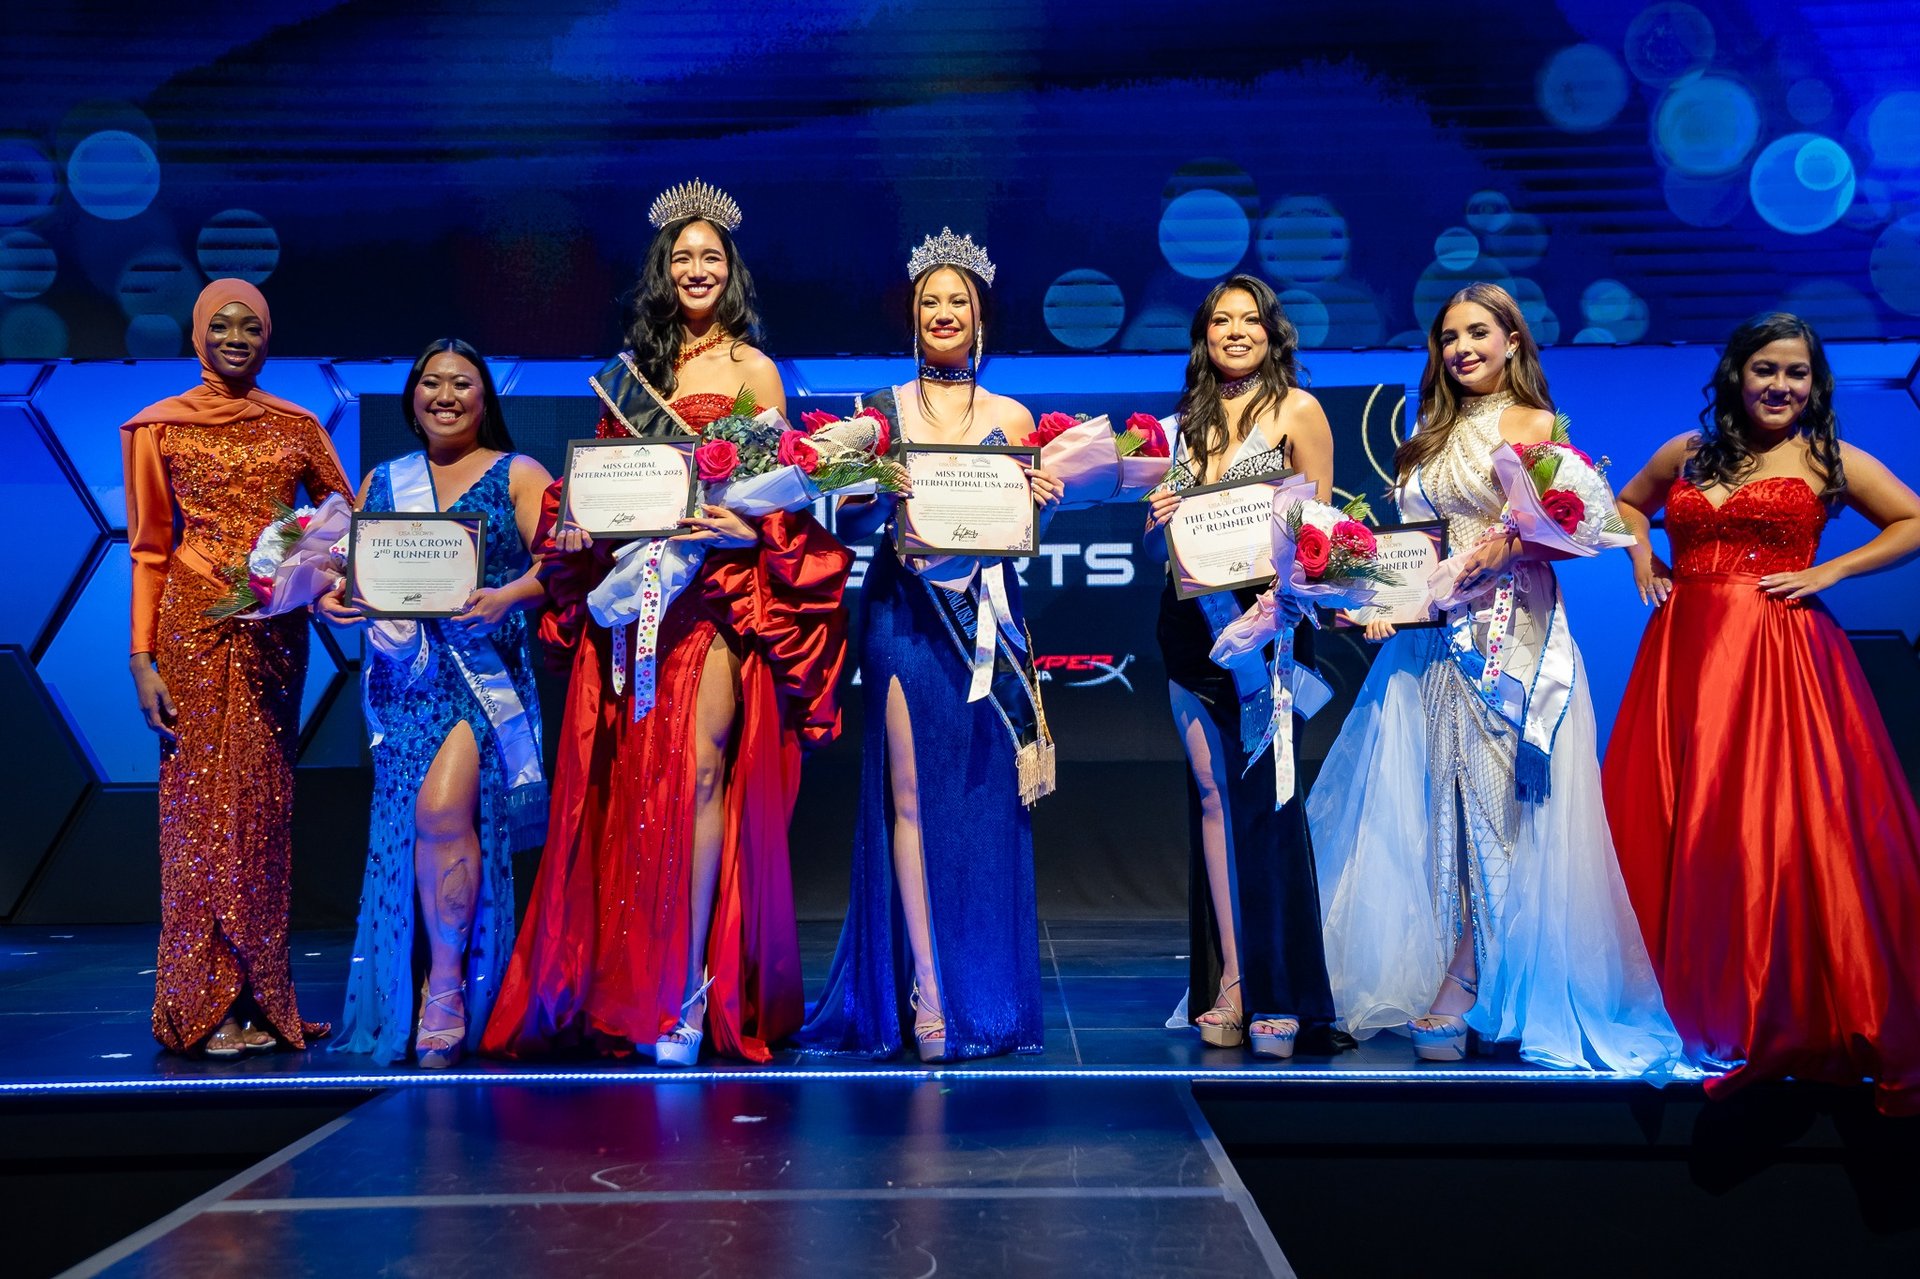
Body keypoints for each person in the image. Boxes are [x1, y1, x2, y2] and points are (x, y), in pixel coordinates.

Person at [481, 180, 852, 1065]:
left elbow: (783, 493)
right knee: (637, 785)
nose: (696, 269)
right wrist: (580, 518)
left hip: (716, 595)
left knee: (699, 777)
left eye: (710, 258)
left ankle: (690, 987)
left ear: (732, 272)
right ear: (663, 270)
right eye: (681, 257)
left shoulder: (753, 369)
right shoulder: (632, 372)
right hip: (641, 599)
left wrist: (746, 525)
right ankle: (631, 982)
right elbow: (606, 487)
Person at [1307, 282, 1684, 1075]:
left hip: (1512, 635)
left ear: (1514, 339)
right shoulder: (1429, 429)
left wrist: (1505, 549)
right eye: (1449, 337)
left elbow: (1562, 533)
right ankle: (1458, 965)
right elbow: (1414, 541)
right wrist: (1381, 600)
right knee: (1436, 809)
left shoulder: (1538, 427)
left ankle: (1473, 978)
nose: (1462, 348)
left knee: (1502, 809)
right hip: (1434, 637)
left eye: (1479, 332)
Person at [1605, 312, 1920, 1113]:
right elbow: (1628, 505)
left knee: (1763, 829)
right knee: (1681, 819)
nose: (1781, 386)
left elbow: (1914, 519)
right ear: (1735, 376)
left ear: (1815, 386)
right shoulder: (1688, 452)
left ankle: (1765, 1005)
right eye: (1766, 370)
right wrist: (1643, 549)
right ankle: (1677, 1006)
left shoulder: (1826, 459)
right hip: (1684, 655)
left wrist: (1835, 571)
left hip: (1778, 660)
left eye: (1798, 373)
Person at [798, 228, 1065, 1063]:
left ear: (979, 315)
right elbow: (846, 522)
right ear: (913, 319)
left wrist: (1047, 499)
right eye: (929, 302)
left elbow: (1024, 531)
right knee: (908, 797)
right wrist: (877, 488)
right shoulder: (880, 411)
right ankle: (927, 990)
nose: (943, 313)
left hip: (986, 614)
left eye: (957, 300)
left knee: (985, 800)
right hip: (904, 618)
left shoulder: (1013, 416)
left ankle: (985, 985)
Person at [122, 279, 350, 1056]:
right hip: (190, 630)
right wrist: (140, 658)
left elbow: (340, 519)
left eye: (250, 326)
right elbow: (150, 549)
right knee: (196, 814)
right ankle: (202, 1003)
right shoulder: (159, 429)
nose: (235, 337)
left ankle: (257, 1000)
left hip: (272, 635)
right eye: (220, 325)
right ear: (197, 334)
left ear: (268, 337)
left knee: (259, 806)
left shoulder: (296, 424)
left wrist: (316, 578)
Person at [321, 339, 553, 1067]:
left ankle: (449, 987)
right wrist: (334, 597)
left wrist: (508, 595)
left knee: (442, 812)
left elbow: (561, 561)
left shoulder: (519, 473)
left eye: (462, 383)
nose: (444, 395)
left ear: (486, 399)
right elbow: (347, 572)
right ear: (412, 397)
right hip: (404, 684)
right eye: (430, 382)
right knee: (416, 832)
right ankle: (421, 980)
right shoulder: (383, 480)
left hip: (482, 679)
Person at [1143, 276, 1336, 1058]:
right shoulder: (1180, 422)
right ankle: (1229, 981)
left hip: (1270, 633)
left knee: (1269, 806)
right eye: (1220, 320)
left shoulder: (1298, 410)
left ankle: (1279, 985)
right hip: (1190, 634)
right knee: (1214, 802)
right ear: (1204, 333)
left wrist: (1280, 597)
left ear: (1271, 330)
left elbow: (1319, 531)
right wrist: (1155, 518)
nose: (1234, 331)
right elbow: (1164, 547)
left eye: (1248, 319)